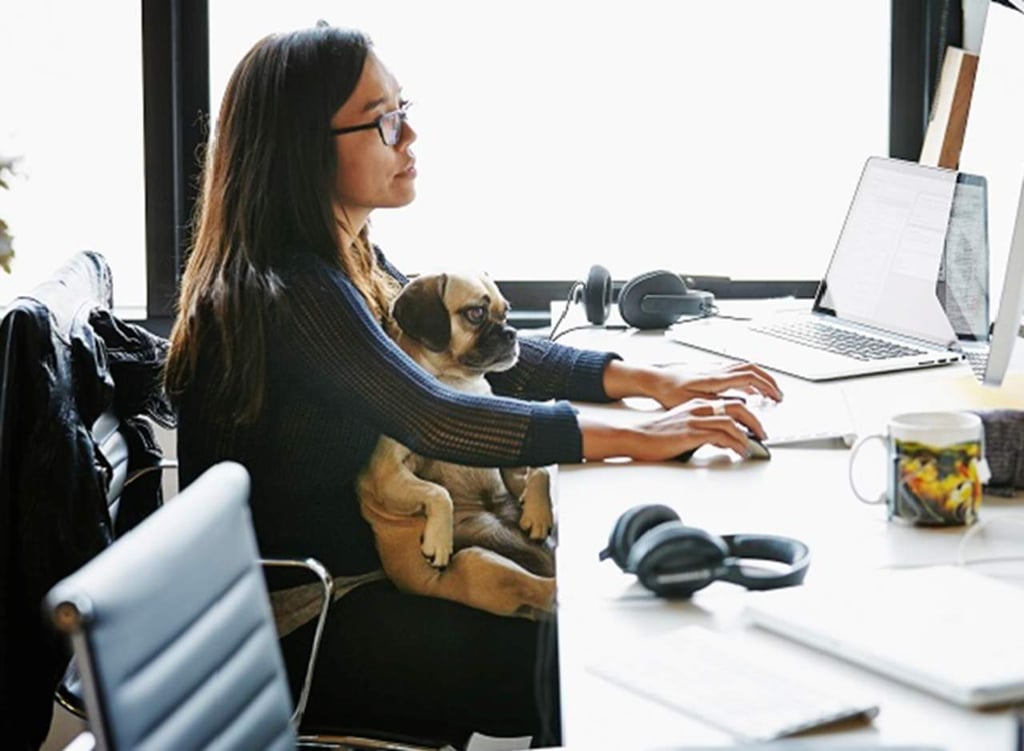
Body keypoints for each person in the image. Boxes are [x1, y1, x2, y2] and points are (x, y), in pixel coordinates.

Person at [164, 22, 782, 748]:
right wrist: (644, 436)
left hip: (367, 587)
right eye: (385, 119)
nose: (411, 135)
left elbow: (479, 358)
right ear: (306, 145)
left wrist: (652, 380)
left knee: (610, 623)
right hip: (315, 620)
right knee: (597, 656)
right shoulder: (290, 290)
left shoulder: (347, 256)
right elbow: (432, 414)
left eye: (404, 108)